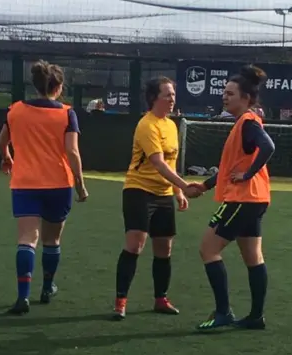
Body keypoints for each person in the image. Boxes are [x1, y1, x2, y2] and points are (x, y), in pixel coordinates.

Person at [0, 60, 88, 315]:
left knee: (27, 240)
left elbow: (1, 142)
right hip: (59, 183)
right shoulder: (67, 113)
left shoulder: (14, 111)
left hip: (25, 183)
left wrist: (7, 157)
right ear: (58, 87)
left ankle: (22, 297)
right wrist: (81, 185)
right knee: (52, 239)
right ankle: (47, 288)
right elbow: (72, 152)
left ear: (35, 85)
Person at [187, 65, 275, 331]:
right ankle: (256, 316)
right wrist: (204, 185)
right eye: (223, 93)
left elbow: (268, 147)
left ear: (245, 98)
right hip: (255, 199)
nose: (224, 97)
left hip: (242, 199)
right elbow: (229, 168)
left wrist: (247, 174)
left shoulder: (248, 122)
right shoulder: (243, 123)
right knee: (253, 257)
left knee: (208, 249)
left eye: (230, 93)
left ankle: (223, 311)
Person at [112, 76, 196, 321]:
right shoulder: (146, 125)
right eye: (167, 95)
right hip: (139, 190)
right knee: (135, 244)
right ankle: (120, 301)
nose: (172, 99)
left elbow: (170, 162)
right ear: (153, 98)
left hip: (163, 194)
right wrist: (185, 185)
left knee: (164, 248)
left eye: (173, 95)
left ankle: (161, 299)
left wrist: (178, 192)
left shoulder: (171, 125)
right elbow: (157, 162)